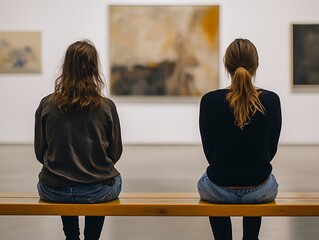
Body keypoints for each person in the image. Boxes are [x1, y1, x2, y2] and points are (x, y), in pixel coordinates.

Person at [34, 40, 122, 240]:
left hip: (54, 190)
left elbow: (40, 153)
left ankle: (71, 236)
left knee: (64, 179)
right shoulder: (107, 106)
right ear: (94, 68)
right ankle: (92, 237)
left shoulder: (47, 104)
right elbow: (115, 153)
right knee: (110, 179)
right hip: (98, 191)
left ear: (66, 67)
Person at [197, 38, 282, 240]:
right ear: (256, 65)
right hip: (260, 189)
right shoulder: (271, 100)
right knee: (260, 177)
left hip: (218, 189)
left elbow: (210, 153)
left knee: (208, 182)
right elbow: (270, 152)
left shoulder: (209, 101)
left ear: (226, 65)